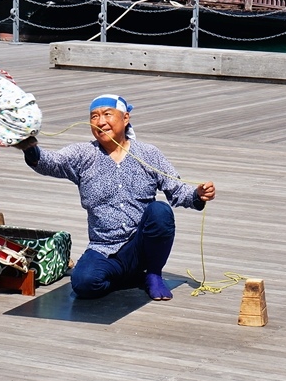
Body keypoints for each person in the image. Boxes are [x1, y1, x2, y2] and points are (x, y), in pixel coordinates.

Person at [17, 94, 215, 301]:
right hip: (104, 247)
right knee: (83, 283)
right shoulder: (84, 154)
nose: (100, 121)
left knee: (160, 211)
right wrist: (28, 145)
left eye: (107, 114)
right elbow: (51, 162)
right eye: (94, 116)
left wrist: (198, 194)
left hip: (141, 245)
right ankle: (128, 276)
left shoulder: (148, 153)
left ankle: (154, 274)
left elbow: (176, 188)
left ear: (126, 118)